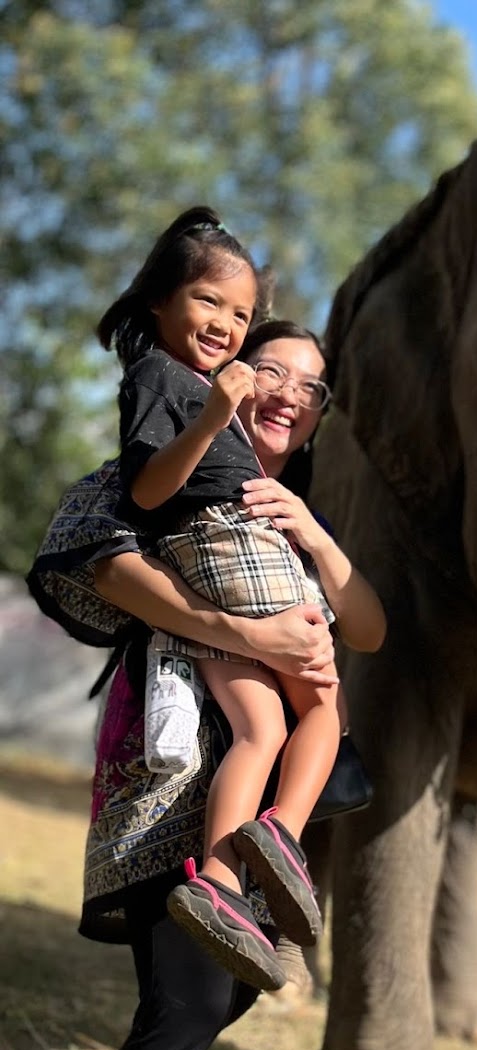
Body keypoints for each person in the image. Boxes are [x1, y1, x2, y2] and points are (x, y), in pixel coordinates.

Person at [38, 319, 384, 1050]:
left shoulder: (287, 511)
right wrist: (244, 630)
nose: (286, 392)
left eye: (309, 388)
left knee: (213, 1000)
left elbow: (365, 625)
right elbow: (96, 564)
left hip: (261, 809)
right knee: (183, 1006)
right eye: (267, 369)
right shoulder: (157, 474)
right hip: (173, 778)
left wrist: (313, 542)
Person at [98, 206, 368, 991]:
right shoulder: (166, 380)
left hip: (208, 557)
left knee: (264, 724)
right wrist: (219, 409)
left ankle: (218, 882)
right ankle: (280, 833)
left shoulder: (183, 386)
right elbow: (148, 492)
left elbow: (372, 622)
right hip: (224, 542)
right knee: (324, 705)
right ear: (159, 300)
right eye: (209, 301)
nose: (224, 322)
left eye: (240, 312)